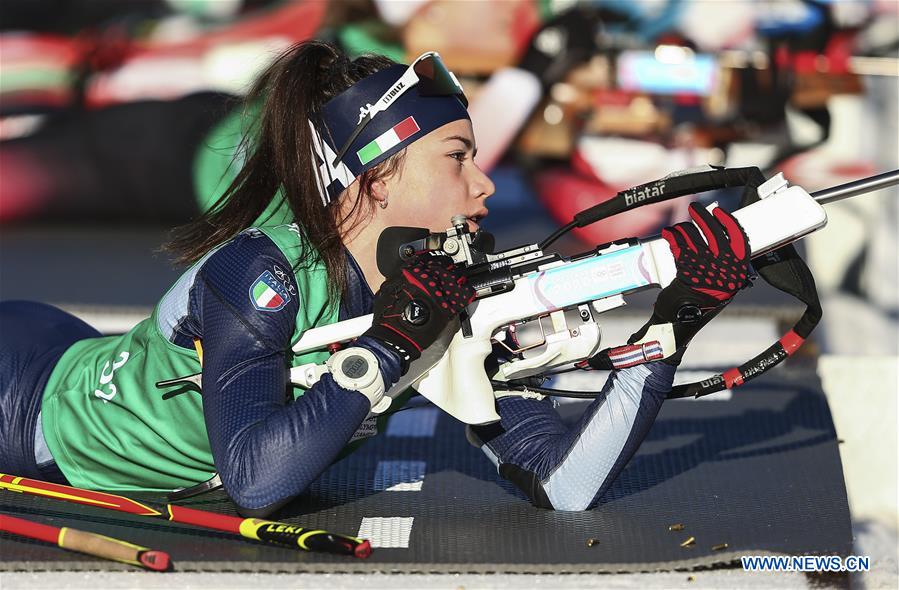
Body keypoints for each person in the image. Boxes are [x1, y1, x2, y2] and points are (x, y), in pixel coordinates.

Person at [0, 40, 751, 516]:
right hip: (22, 399)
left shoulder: (444, 287)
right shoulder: (260, 273)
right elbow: (257, 483)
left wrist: (668, 330)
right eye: (457, 157)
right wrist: (389, 347)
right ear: (377, 175)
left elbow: (562, 486)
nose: (485, 186)